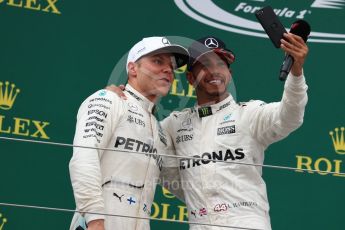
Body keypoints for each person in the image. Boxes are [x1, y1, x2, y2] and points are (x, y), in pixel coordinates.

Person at [109, 33, 308, 230]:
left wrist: (296, 72)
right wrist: (121, 98)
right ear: (190, 78)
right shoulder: (174, 124)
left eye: (221, 64)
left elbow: (290, 116)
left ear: (229, 74)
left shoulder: (249, 114)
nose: (215, 71)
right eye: (205, 65)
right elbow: (143, 144)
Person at [69, 36, 189, 230]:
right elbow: (84, 157)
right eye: (157, 61)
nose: (168, 70)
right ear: (133, 68)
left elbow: (187, 188)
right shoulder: (109, 100)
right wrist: (95, 219)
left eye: (171, 66)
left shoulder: (159, 131)